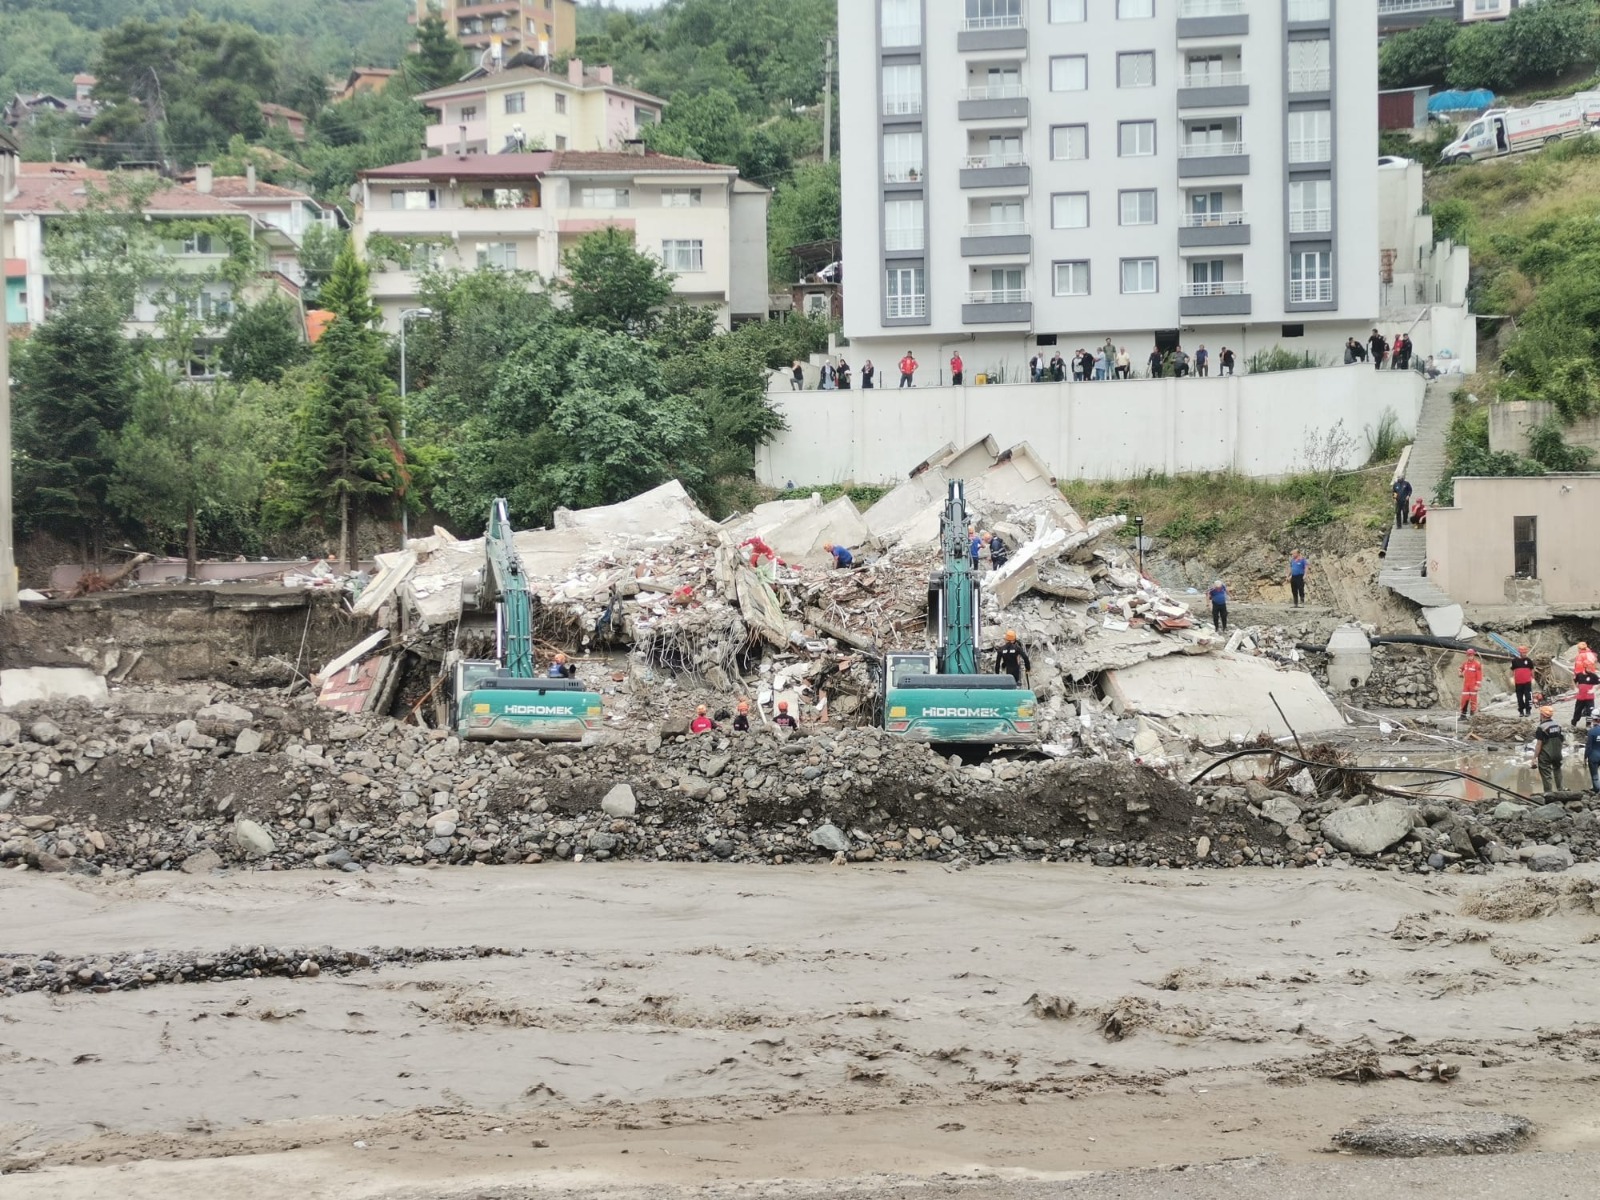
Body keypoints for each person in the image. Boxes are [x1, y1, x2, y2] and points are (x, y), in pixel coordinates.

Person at [1534, 705, 1565, 792]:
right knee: (1558, 770)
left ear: (1543, 715)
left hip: (1546, 755)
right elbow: (1561, 739)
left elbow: (1539, 744)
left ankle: (1548, 794)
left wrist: (1534, 758)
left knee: (1546, 775)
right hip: (1557, 754)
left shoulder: (1541, 728)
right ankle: (1561, 790)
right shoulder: (1558, 726)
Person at [1511, 645, 1536, 717]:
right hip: (1518, 682)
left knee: (1528, 697)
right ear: (1519, 653)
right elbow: (1513, 670)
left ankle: (1528, 710)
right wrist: (1512, 678)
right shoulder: (1514, 661)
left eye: (1525, 652)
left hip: (1527, 682)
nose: (1525, 654)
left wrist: (1533, 678)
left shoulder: (1529, 660)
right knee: (1519, 698)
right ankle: (1521, 711)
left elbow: (1532, 669)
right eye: (1523, 652)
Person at [1459, 648, 1483, 717]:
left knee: (1473, 700)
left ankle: (1472, 715)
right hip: (1466, 685)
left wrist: (1477, 685)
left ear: (1473, 655)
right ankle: (1463, 715)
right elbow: (1460, 668)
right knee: (1464, 700)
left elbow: (1479, 676)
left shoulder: (1477, 664)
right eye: (1469, 655)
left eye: (1471, 655)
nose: (1470, 656)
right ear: (1467, 655)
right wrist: (1460, 672)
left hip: (1473, 686)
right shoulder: (1465, 664)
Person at [1574, 664, 1598, 728]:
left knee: (1589, 712)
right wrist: (1575, 688)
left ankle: (1588, 725)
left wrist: (1594, 689)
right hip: (1580, 697)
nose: (1590, 670)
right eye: (1588, 668)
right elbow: (1574, 681)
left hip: (1589, 698)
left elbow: (1598, 684)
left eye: (1591, 668)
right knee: (1577, 711)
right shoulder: (1579, 675)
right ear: (1585, 668)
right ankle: (1573, 724)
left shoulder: (1594, 676)